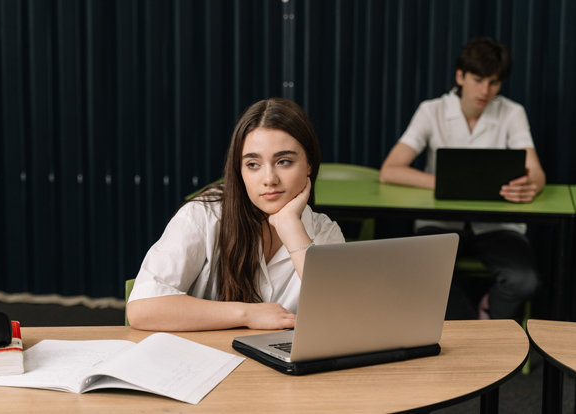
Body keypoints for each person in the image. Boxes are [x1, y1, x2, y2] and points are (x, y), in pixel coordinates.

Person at [127, 97, 345, 331]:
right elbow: (143, 309)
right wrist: (247, 314)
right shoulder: (203, 216)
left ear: (309, 164)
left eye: (284, 161)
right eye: (253, 164)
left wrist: (290, 226)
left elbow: (343, 317)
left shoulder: (324, 231)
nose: (269, 179)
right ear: (239, 170)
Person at [380, 36, 545, 320]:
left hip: (496, 226)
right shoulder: (431, 111)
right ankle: (477, 334)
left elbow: (536, 171)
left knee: (524, 280)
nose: (485, 90)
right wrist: (448, 183)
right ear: (460, 75)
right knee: (424, 280)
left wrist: (533, 185)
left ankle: (489, 312)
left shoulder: (512, 112)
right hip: (439, 222)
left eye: (494, 82)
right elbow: (390, 170)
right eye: (478, 79)